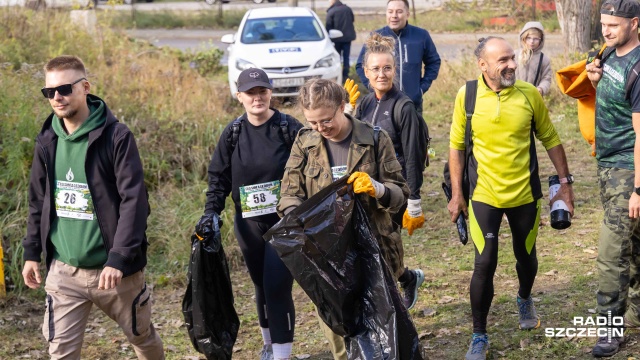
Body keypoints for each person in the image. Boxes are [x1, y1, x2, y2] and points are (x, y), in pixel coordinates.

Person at [21, 55, 164, 359]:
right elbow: (38, 200)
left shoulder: (116, 136)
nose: (57, 97)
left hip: (116, 273)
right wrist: (32, 251)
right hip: (64, 271)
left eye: (64, 89)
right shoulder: (47, 140)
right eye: (49, 92)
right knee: (60, 351)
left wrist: (119, 257)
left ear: (85, 87)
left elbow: (134, 201)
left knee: (142, 339)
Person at [446, 37, 574, 360]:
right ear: (484, 65)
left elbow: (551, 139)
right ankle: (479, 334)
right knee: (484, 263)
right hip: (484, 196)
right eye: (503, 60)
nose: (512, 65)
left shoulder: (529, 95)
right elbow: (456, 147)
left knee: (526, 257)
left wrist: (565, 184)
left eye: (513, 58)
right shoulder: (468, 96)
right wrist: (458, 195)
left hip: (524, 195)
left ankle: (524, 296)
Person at [277, 78, 409, 360]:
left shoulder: (374, 139)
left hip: (374, 249)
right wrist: (300, 221)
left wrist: (378, 188)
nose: (320, 128)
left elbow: (401, 195)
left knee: (381, 327)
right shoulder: (305, 143)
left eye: (325, 120)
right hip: (327, 256)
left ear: (342, 106)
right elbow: (288, 194)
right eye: (313, 122)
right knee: (338, 330)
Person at [198, 68, 303, 360]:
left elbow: (311, 164)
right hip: (248, 225)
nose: (257, 98)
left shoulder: (288, 127)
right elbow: (218, 177)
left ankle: (282, 354)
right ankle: (269, 345)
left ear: (271, 93)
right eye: (251, 93)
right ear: (239, 96)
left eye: (262, 91)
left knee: (276, 284)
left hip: (285, 223)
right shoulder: (233, 133)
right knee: (260, 284)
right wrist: (211, 212)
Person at [355, 32, 428, 310]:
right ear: (366, 71)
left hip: (395, 192)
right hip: (367, 189)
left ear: (394, 70)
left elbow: (413, 157)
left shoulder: (404, 107)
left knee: (384, 250)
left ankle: (389, 310)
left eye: (387, 68)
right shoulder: (365, 103)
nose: (382, 74)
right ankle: (407, 279)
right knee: (373, 249)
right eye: (376, 69)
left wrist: (415, 200)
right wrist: (347, 113)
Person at [585, 0, 640, 357]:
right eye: (603, 24)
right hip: (606, 165)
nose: (606, 30)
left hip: (628, 169)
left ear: (634, 24)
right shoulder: (608, 53)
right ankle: (635, 311)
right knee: (632, 247)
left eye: (614, 25)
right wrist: (594, 81)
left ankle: (610, 327)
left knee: (611, 251)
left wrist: (638, 188)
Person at [355, 0, 441, 113]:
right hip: (382, 104)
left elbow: (434, 62)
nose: (394, 16)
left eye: (399, 11)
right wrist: (373, 88)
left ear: (407, 14)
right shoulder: (376, 37)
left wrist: (420, 89)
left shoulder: (421, 36)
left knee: (413, 131)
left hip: (412, 104)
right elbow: (361, 65)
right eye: (390, 12)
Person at [516, 21, 552, 96]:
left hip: (533, 96)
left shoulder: (544, 59)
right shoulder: (514, 54)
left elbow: (546, 79)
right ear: (523, 38)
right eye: (528, 38)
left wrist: (541, 89)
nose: (532, 41)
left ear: (541, 40)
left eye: (536, 39)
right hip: (515, 95)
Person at [326, 0, 356, 81]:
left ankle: (338, 75)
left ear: (332, 2)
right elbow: (352, 19)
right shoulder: (348, 9)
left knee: (337, 58)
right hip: (347, 38)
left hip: (336, 39)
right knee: (346, 57)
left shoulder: (331, 11)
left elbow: (328, 26)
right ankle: (346, 76)